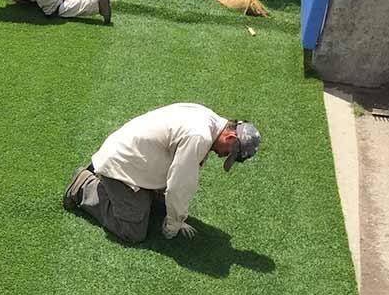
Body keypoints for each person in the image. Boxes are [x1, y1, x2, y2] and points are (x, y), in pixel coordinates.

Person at [63, 103, 260, 244]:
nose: (223, 156)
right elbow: (178, 186)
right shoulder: (200, 136)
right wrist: (174, 224)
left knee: (158, 209)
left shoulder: (208, 119)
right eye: (229, 152)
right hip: (121, 166)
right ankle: (85, 186)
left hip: (134, 158)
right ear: (230, 136)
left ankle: (133, 192)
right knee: (133, 230)